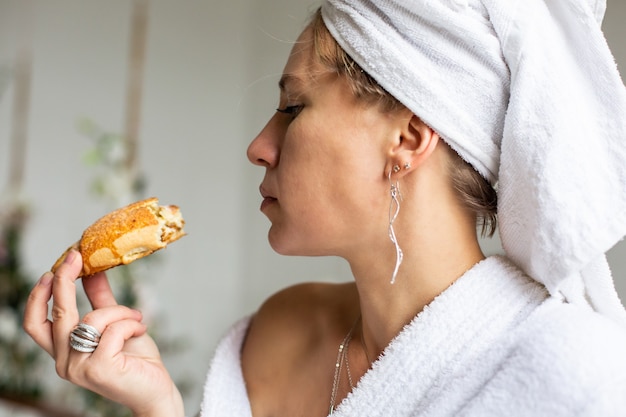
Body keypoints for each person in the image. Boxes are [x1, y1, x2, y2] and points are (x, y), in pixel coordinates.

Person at [24, 0, 626, 416]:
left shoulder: (577, 375)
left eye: (293, 108)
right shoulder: (278, 334)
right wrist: (156, 405)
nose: (259, 147)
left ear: (409, 140)